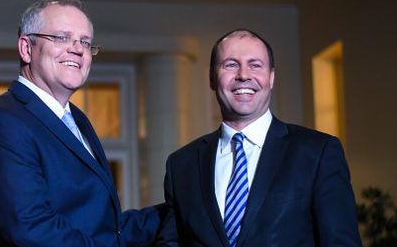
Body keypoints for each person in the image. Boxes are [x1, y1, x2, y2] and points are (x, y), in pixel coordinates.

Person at [0, 0, 161, 247]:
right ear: (26, 48)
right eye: (61, 37)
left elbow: (108, 230)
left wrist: (186, 208)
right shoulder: (0, 123)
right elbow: (31, 231)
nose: (77, 49)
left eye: (85, 42)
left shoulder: (77, 120)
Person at [155, 29, 362, 246]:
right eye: (231, 64)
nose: (244, 75)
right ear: (212, 78)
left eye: (255, 65)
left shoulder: (318, 152)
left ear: (271, 78)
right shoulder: (181, 165)